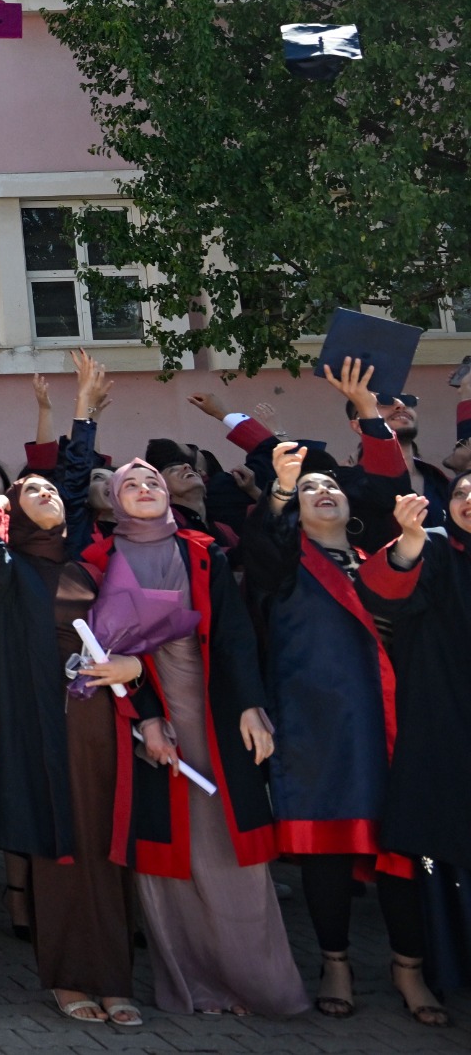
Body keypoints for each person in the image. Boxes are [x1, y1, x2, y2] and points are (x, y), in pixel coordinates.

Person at [237, 361, 432, 1022]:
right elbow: (263, 540)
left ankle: (409, 973)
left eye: (332, 487)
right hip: (314, 729)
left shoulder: (383, 550)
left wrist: (365, 411)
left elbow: (387, 481)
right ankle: (336, 964)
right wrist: (283, 488)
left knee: (402, 849)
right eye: (310, 487)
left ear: (351, 506)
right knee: (324, 855)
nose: (324, 492)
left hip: (393, 723)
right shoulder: (283, 563)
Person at [88, 458, 305, 1016]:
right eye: (129, 485)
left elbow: (233, 637)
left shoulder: (201, 552)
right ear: (112, 501)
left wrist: (251, 705)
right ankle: (195, 988)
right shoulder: (101, 560)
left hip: (212, 709)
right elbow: (107, 652)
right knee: (171, 857)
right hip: (148, 712)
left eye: (152, 482)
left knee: (232, 852)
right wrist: (146, 717)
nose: (143, 489)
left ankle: (257, 986)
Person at [0, 465, 137, 1023]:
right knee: (59, 848)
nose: (47, 494)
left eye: (54, 490)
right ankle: (67, 977)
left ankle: (114, 979)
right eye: (32, 491)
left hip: (100, 724)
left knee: (104, 849)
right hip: (42, 724)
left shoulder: (89, 567)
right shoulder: (11, 567)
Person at [364, 475, 471, 1021]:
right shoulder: (430, 546)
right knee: (432, 845)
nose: (469, 503)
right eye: (461, 494)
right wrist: (407, 539)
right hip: (438, 724)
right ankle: (417, 970)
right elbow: (382, 591)